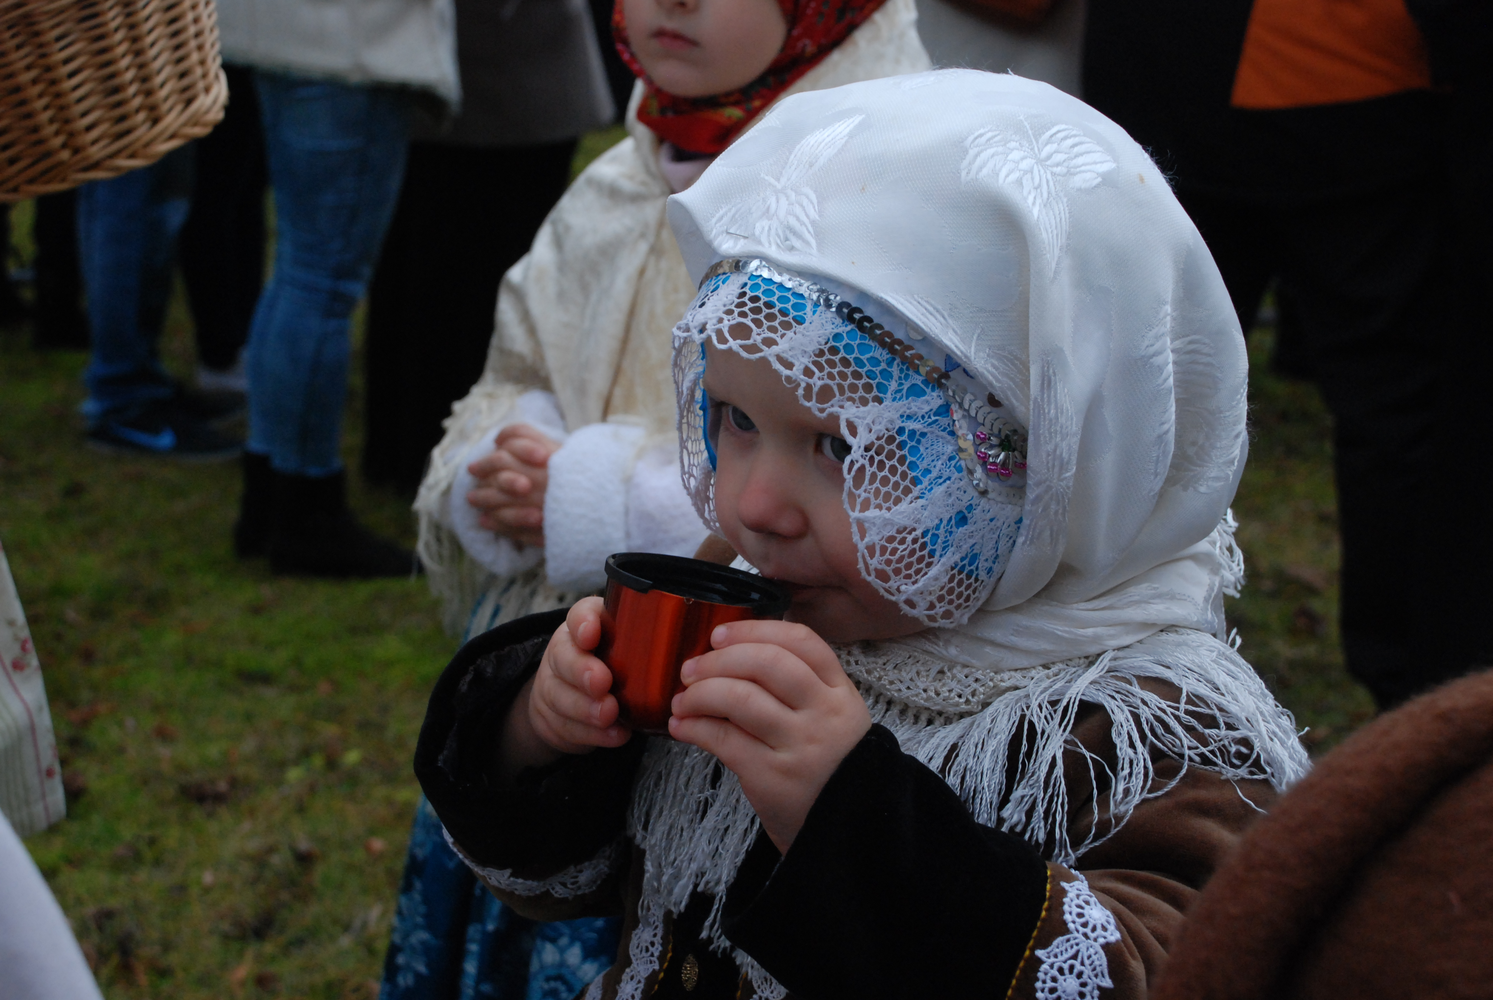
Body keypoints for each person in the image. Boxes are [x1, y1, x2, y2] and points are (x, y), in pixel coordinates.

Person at [413, 71, 1311, 999]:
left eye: (844, 446)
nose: (755, 504)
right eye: (734, 418)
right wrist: (543, 733)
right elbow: (575, 874)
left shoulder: (1148, 729)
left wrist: (850, 815)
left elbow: (1167, 973)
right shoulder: (748, 588)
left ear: (1049, 465)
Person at [383, 0, 930, 992]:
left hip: (746, 692)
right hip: (563, 683)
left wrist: (600, 496)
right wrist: (503, 461)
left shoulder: (885, 190)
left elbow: (888, 470)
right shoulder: (619, 175)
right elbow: (522, 359)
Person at [1080, 0, 1493, 709]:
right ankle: (1093, 653)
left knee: (1136, 392)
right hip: (1310, 80)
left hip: (1330, 80)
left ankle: (1418, 692)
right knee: (1132, 393)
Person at [218, 0, 458, 576]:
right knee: (321, 281)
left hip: (289, 32)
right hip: (348, 43)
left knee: (301, 269)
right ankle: (306, 510)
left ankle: (269, 495)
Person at [361, 0, 615, 494]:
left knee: (445, 269)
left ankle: (417, 447)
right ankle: (439, 452)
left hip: (472, 68)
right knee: (459, 276)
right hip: (479, 69)